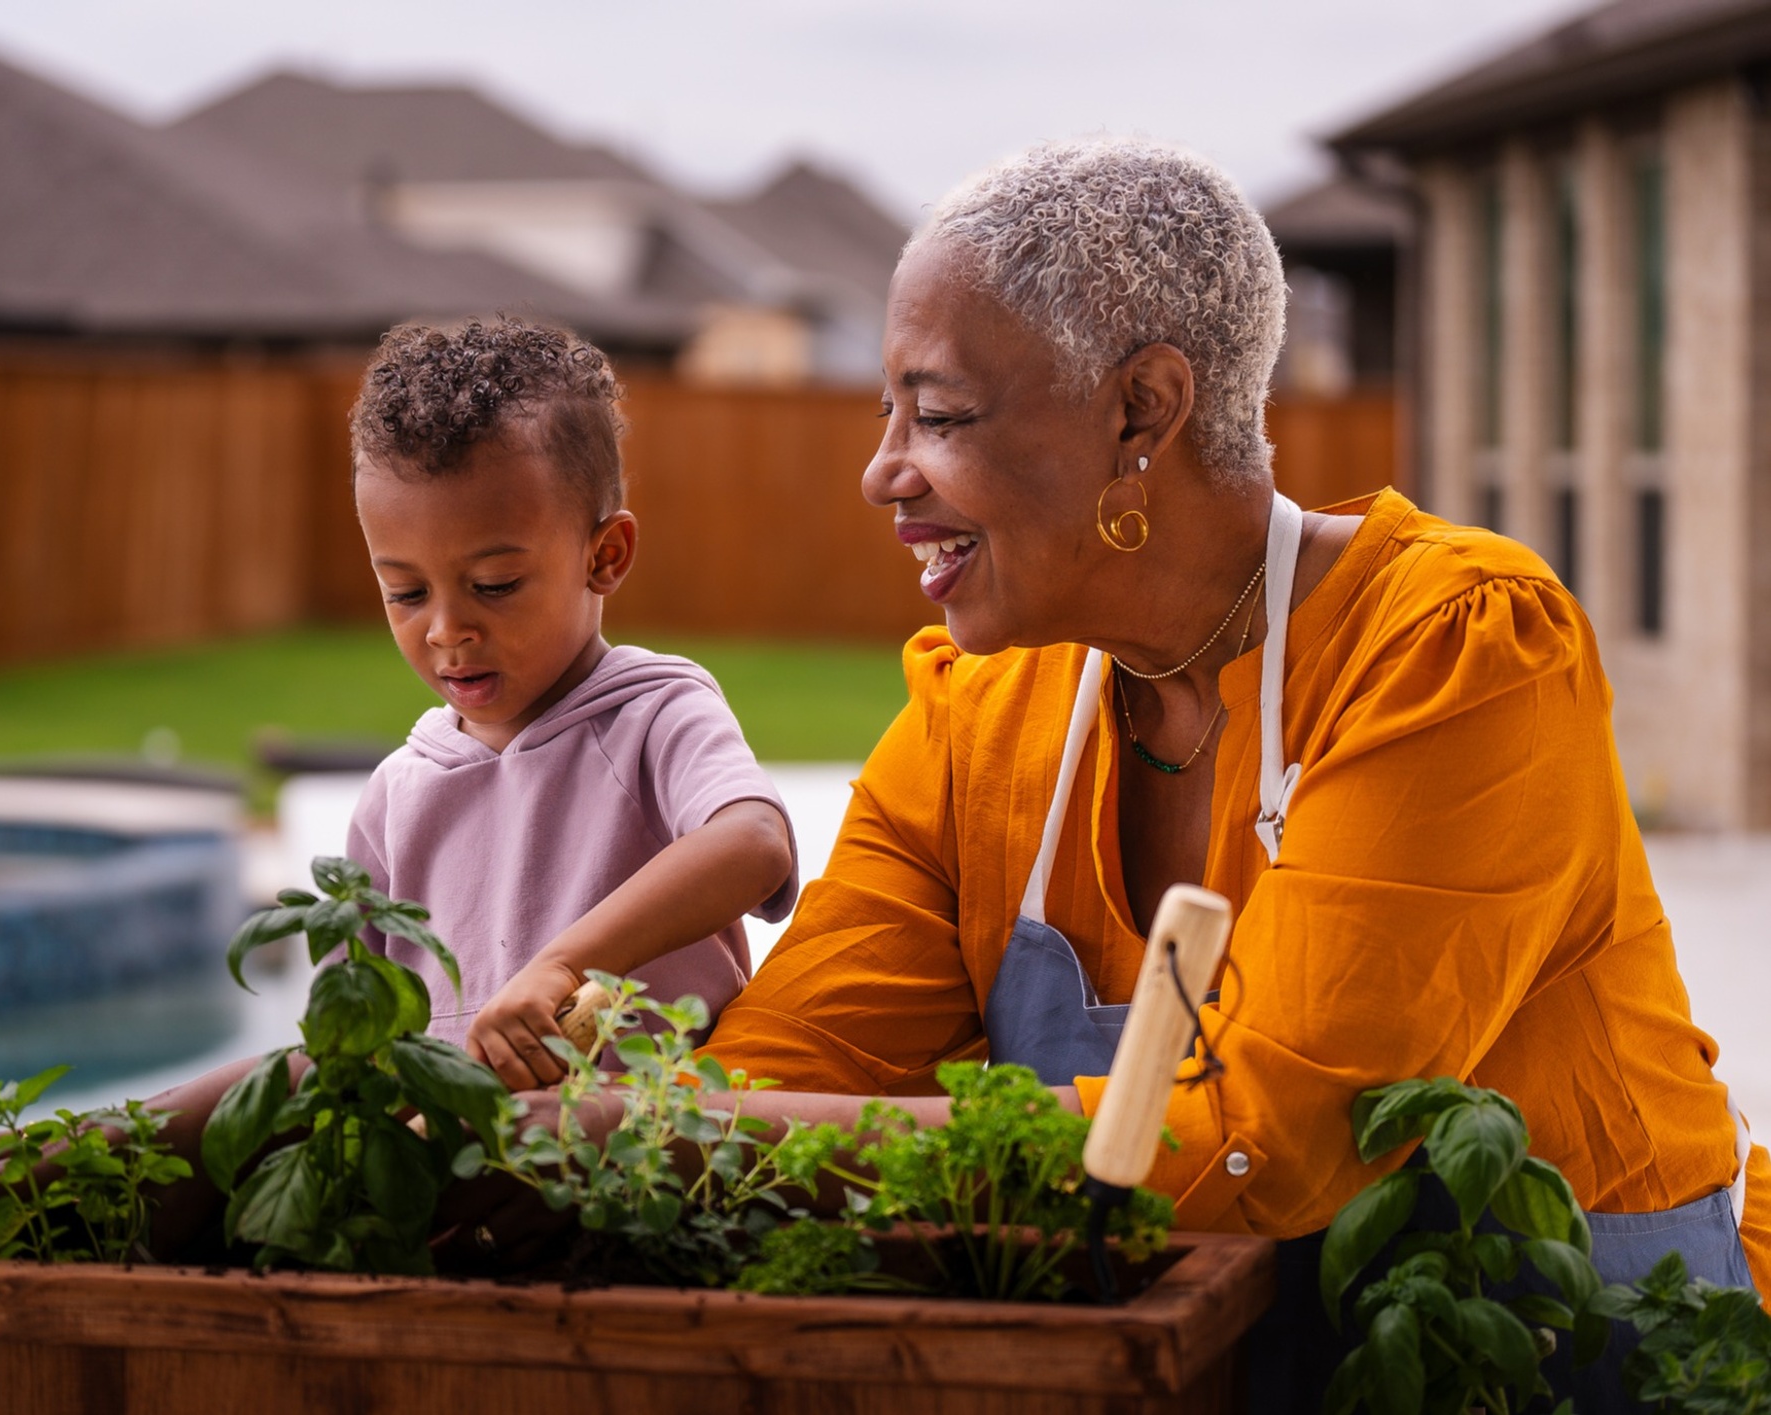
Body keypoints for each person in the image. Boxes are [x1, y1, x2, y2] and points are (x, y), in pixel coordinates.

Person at [668, 137, 1762, 1409]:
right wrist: (624, 1127)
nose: (882, 473)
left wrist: (680, 1132)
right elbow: (799, 1063)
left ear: (1144, 408)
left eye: (944, 414)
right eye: (887, 414)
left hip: (1595, 1362)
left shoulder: (1458, 653)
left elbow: (1266, 1141)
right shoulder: (981, 716)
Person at [344, 318, 798, 1088]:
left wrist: (561, 963)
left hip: (650, 1162)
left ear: (604, 556)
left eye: (495, 586)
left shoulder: (653, 715)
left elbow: (754, 843)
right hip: (472, 1180)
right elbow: (354, 1028)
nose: (448, 629)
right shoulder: (395, 798)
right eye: (406, 593)